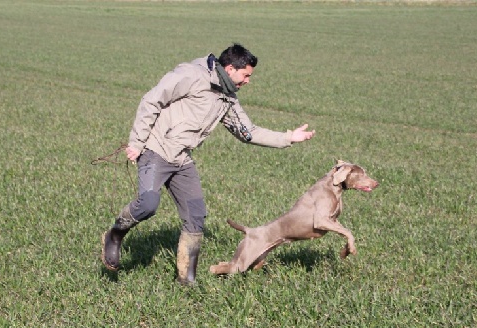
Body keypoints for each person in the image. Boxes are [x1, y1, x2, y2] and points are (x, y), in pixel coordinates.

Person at [101, 43, 316, 284]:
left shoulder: (227, 98)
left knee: (196, 215)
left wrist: (288, 138)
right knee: (149, 204)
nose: (248, 81)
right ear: (230, 68)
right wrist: (137, 142)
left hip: (182, 159)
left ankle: (186, 280)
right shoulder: (191, 76)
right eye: (246, 75)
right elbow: (152, 100)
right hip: (155, 149)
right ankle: (115, 235)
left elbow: (248, 132)